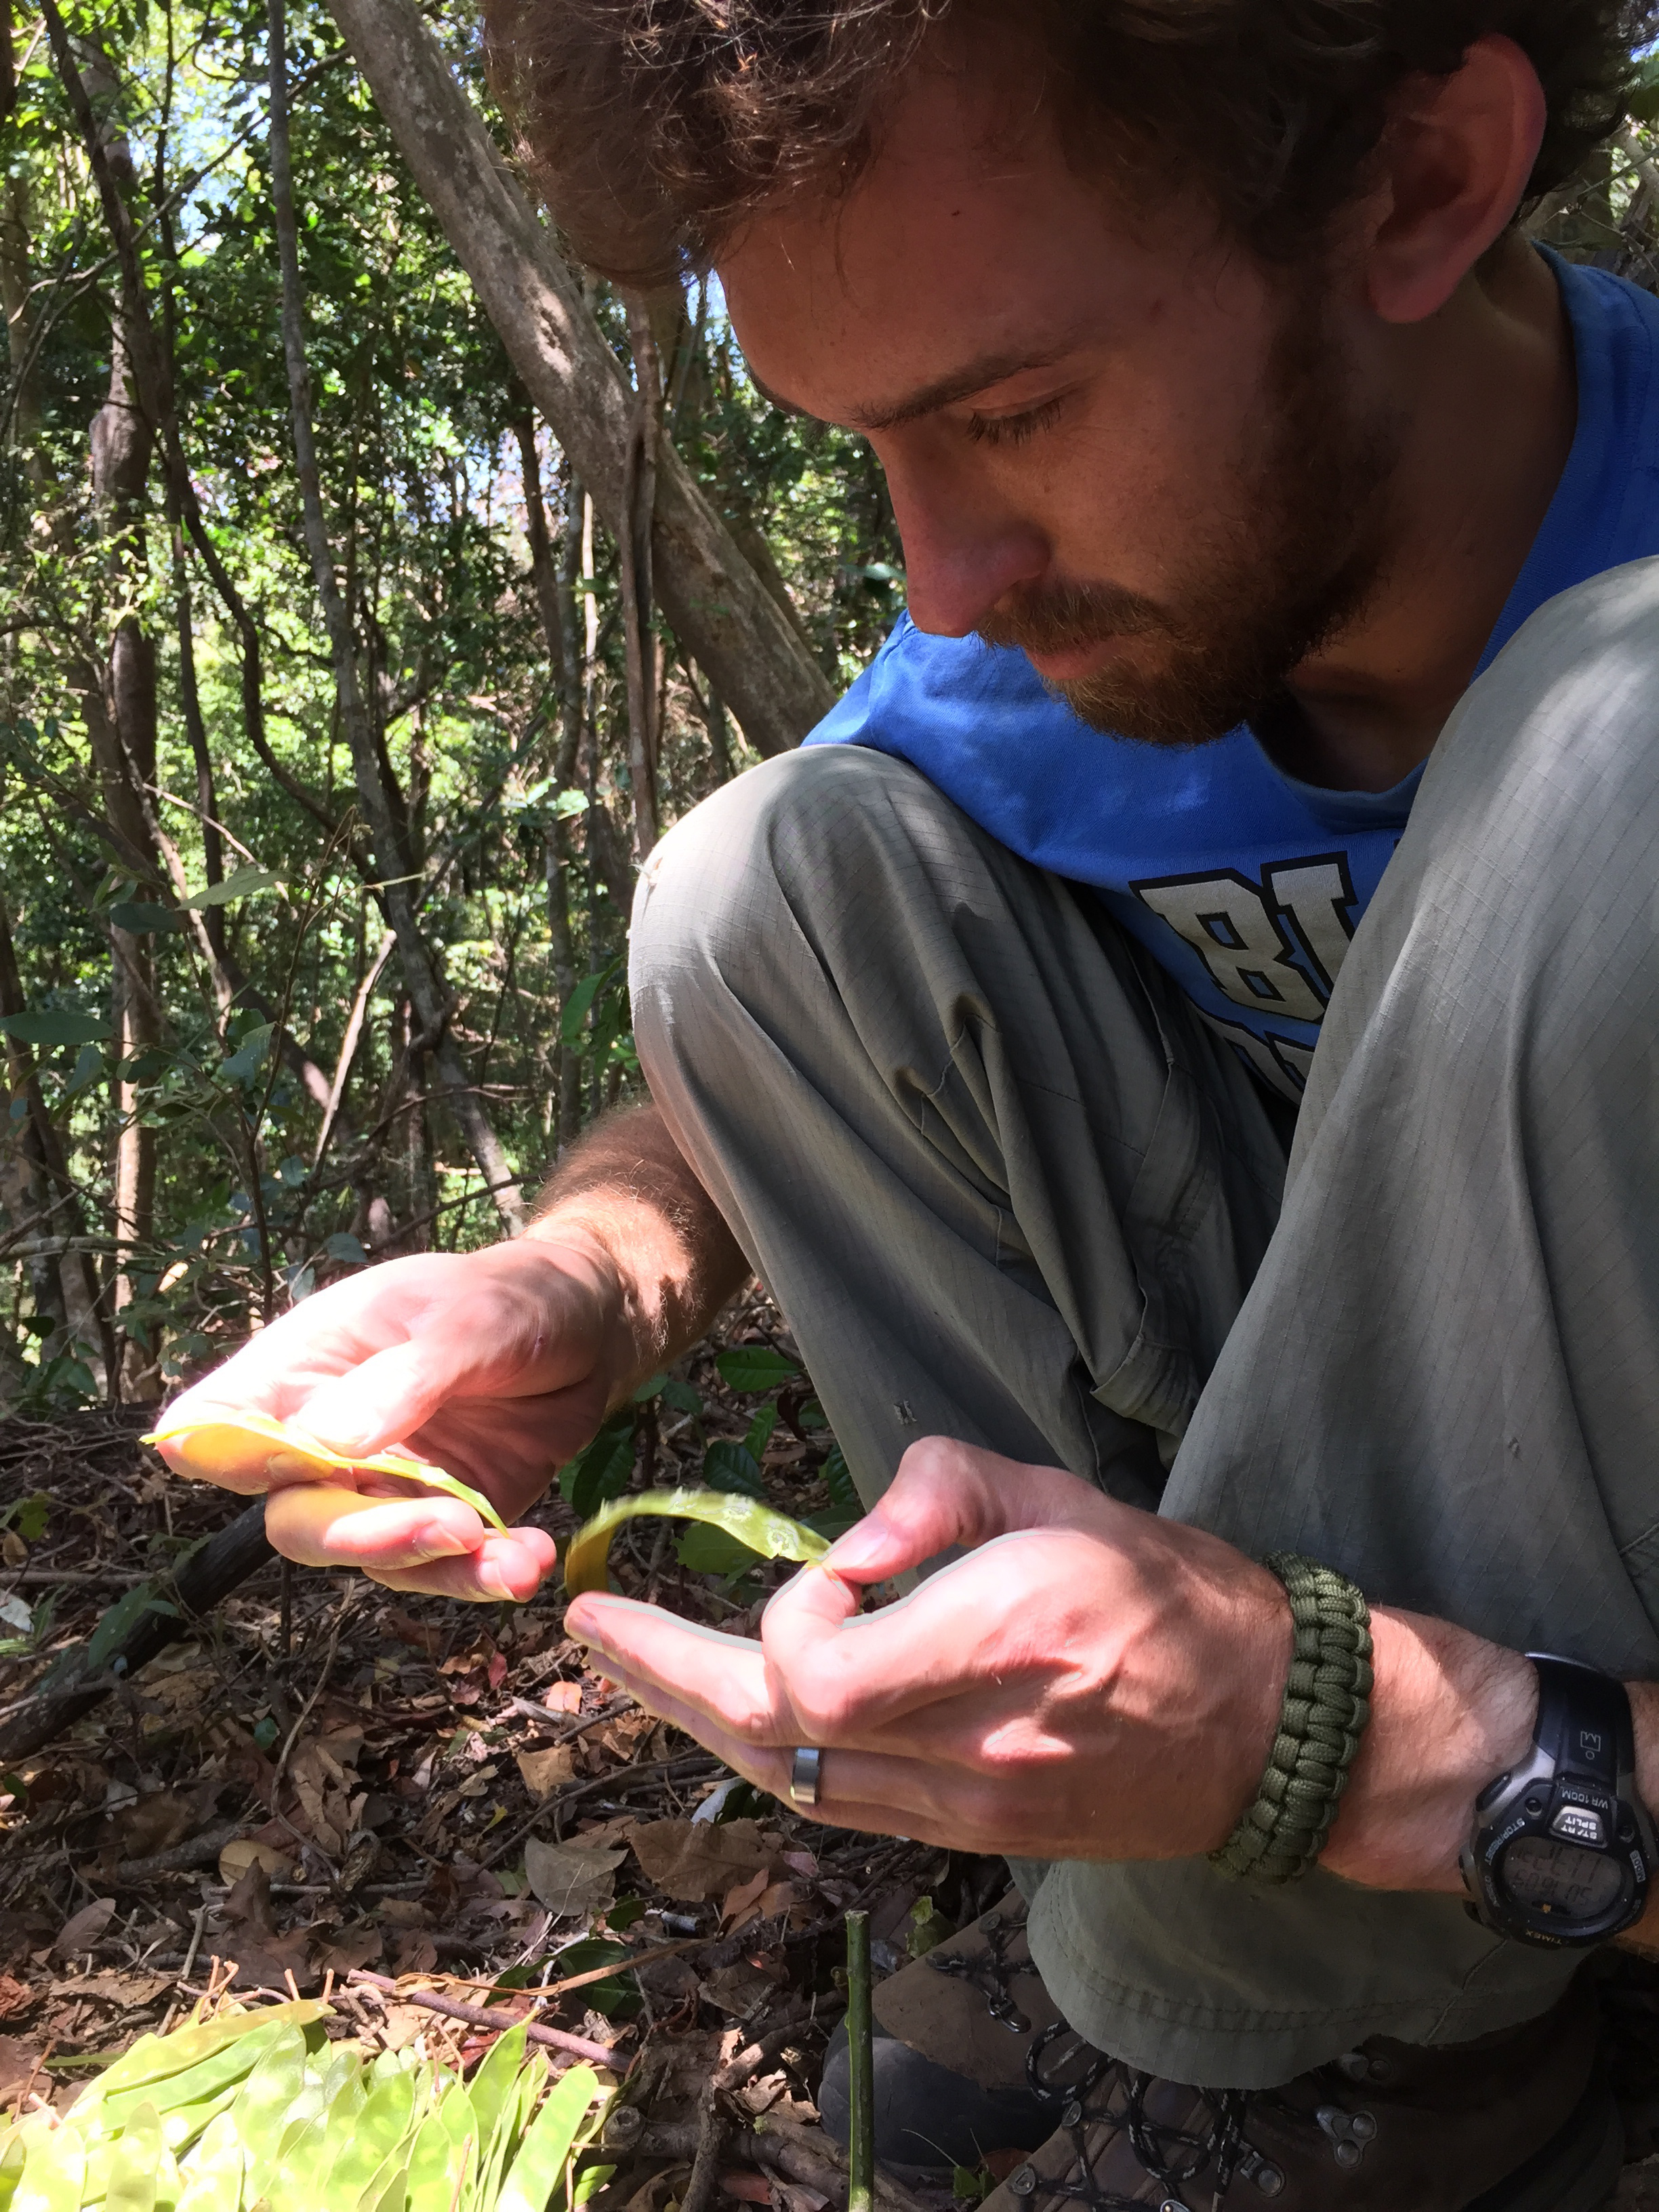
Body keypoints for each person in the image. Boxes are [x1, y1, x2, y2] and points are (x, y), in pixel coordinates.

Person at [156, 2, 1659, 2203]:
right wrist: (587, 1274)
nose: (942, 572)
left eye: (1017, 407)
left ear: (1422, 184)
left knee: (1602, 766)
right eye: (865, 446)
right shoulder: (1035, 664)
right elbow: (771, 1033)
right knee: (764, 882)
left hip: (1548, 1705)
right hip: (1359, 1626)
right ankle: (1316, 1993)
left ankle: (1292, 1947)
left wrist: (1381, 1754)